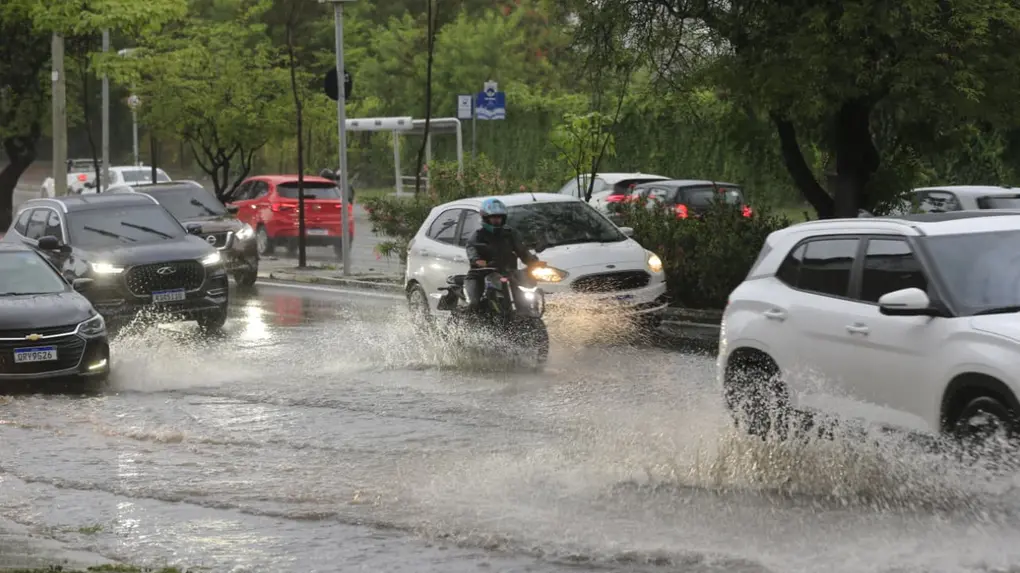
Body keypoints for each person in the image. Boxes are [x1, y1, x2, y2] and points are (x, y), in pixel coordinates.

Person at [463, 198, 538, 313]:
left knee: (528, 297)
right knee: (474, 303)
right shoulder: (478, 236)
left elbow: (522, 251)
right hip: (481, 274)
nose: (497, 220)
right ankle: (468, 323)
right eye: (493, 217)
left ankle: (529, 314)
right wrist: (477, 260)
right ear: (485, 218)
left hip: (508, 273)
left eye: (499, 217)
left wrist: (533, 262)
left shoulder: (510, 234)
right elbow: (471, 249)